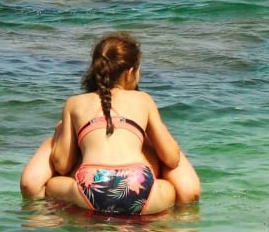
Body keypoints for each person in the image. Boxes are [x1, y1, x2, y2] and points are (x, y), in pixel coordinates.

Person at [20, 33, 200, 215]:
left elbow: (63, 165)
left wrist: (59, 133)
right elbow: (171, 158)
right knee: (168, 188)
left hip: (92, 186)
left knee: (51, 186)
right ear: (131, 72)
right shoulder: (143, 100)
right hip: (137, 184)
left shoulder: (74, 103)